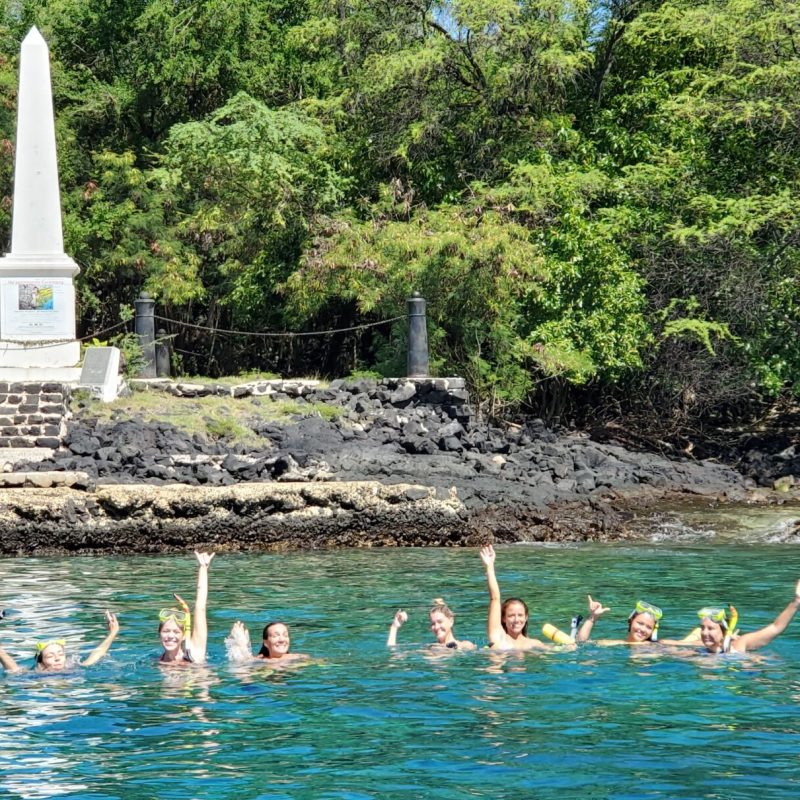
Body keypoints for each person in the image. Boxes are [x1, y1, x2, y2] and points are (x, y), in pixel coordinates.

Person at [664, 581, 800, 654]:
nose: (704, 633)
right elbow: (667, 644)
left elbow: (775, 628)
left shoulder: (739, 644)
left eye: (710, 628)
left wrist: (796, 601)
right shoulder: (699, 649)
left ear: (723, 630)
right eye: (702, 628)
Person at [0, 610, 119, 673]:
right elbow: (13, 669)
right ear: (41, 662)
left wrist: (113, 633)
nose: (57, 658)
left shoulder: (73, 667)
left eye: (60, 654)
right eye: (50, 656)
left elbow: (97, 654)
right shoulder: (37, 675)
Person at [479, 544, 548, 651]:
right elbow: (495, 598)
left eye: (520, 615)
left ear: (526, 617)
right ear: (503, 618)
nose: (516, 620)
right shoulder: (499, 638)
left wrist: (569, 646)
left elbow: (556, 650)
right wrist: (490, 567)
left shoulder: (534, 644)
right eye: (511, 616)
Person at [158, 551, 214, 665]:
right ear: (159, 634)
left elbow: (200, 607)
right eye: (166, 631)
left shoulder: (193, 653)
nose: (170, 636)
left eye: (176, 632)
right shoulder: (158, 661)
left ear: (183, 636)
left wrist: (203, 568)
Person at [386, 599, 476, 650]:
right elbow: (392, 651)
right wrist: (394, 627)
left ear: (451, 621)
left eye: (440, 622)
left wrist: (454, 648)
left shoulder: (464, 645)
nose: (436, 627)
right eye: (433, 623)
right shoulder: (429, 647)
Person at [576, 596, 663, 645]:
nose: (643, 629)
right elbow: (581, 643)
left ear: (653, 630)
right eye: (640, 623)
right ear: (631, 621)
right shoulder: (616, 643)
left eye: (649, 627)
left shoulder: (658, 645)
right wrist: (593, 616)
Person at [225, 619, 308, 665]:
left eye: (285, 635)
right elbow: (241, 668)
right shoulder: (259, 661)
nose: (282, 640)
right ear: (266, 642)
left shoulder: (300, 658)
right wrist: (241, 646)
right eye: (275, 636)